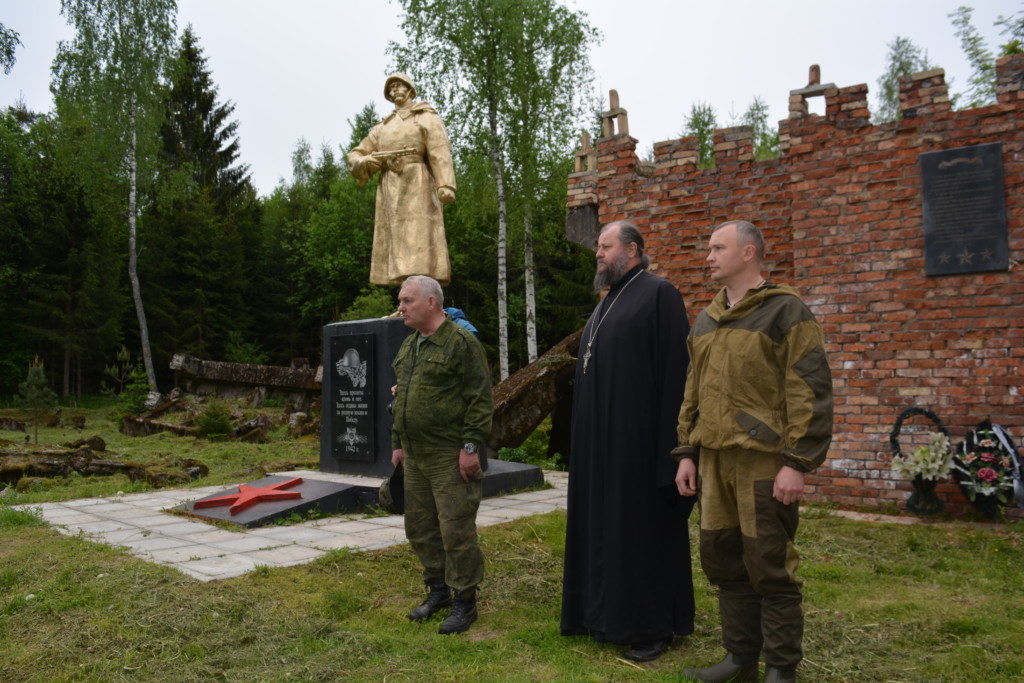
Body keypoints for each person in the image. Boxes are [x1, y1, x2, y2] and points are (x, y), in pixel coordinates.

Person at [675, 220, 833, 682]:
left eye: (718, 248)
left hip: (763, 460)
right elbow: (692, 390)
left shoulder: (786, 310)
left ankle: (781, 668)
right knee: (724, 560)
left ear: (748, 253)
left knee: (770, 563)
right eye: (708, 248)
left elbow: (810, 388)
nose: (709, 256)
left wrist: (797, 462)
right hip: (713, 459)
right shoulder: (707, 318)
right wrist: (686, 452)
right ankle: (739, 659)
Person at [560, 220, 695, 662]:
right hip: (601, 448)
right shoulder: (608, 301)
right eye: (598, 247)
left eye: (606, 246)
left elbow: (675, 375)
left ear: (632, 250)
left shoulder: (659, 293)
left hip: (639, 447)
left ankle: (651, 626)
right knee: (605, 530)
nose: (598, 253)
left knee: (641, 534)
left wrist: (674, 451)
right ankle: (600, 615)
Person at [390, 275, 493, 634]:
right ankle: (438, 592)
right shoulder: (410, 345)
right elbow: (401, 397)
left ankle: (465, 601)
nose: (401, 307)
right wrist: (397, 443)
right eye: (401, 301)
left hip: (448, 454)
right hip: (415, 455)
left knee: (455, 530)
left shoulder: (461, 342)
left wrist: (470, 448)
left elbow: (480, 399)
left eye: (407, 300)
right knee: (420, 529)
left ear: (431, 302)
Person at [348, 73, 456, 286]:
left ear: (410, 89)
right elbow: (355, 154)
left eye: (399, 85)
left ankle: (422, 291)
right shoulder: (382, 127)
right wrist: (368, 160)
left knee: (419, 236)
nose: (395, 90)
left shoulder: (425, 117)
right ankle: (407, 294)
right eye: (391, 87)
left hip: (418, 182)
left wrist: (445, 184)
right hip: (390, 187)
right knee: (396, 241)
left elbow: (439, 150)